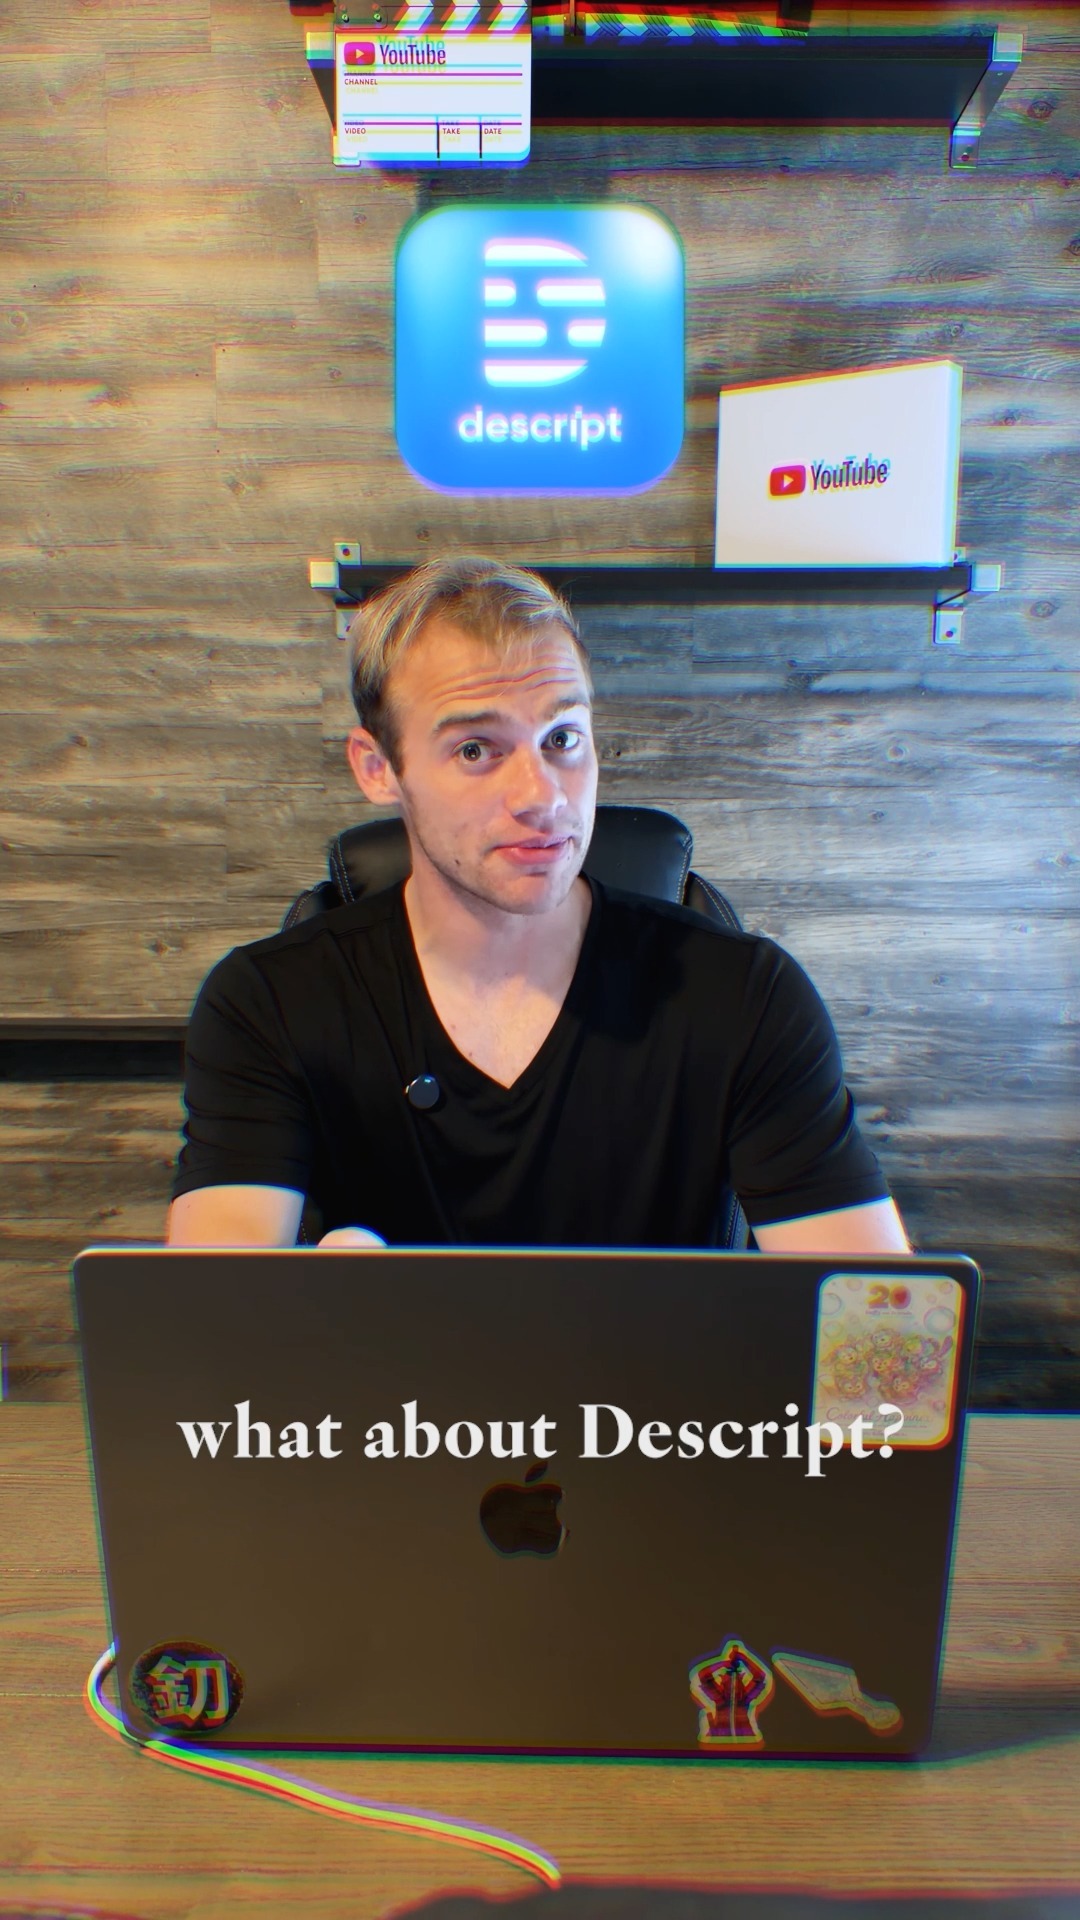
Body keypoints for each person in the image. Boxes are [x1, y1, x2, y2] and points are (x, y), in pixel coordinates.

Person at [168, 555, 909, 1256]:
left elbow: (873, 1317)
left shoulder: (744, 996)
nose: (542, 796)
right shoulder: (270, 1002)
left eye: (561, 738)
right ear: (379, 767)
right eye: (476, 749)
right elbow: (213, 1311)